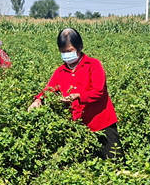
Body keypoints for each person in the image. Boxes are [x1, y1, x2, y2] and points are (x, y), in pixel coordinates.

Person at [27, 27, 122, 160]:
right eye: (63, 52)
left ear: (80, 47)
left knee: (114, 160)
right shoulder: (60, 72)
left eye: (70, 51)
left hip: (101, 122)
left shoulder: (93, 65)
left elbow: (98, 91)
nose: (66, 55)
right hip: (79, 126)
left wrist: (78, 96)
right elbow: (49, 89)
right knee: (88, 164)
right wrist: (38, 100)